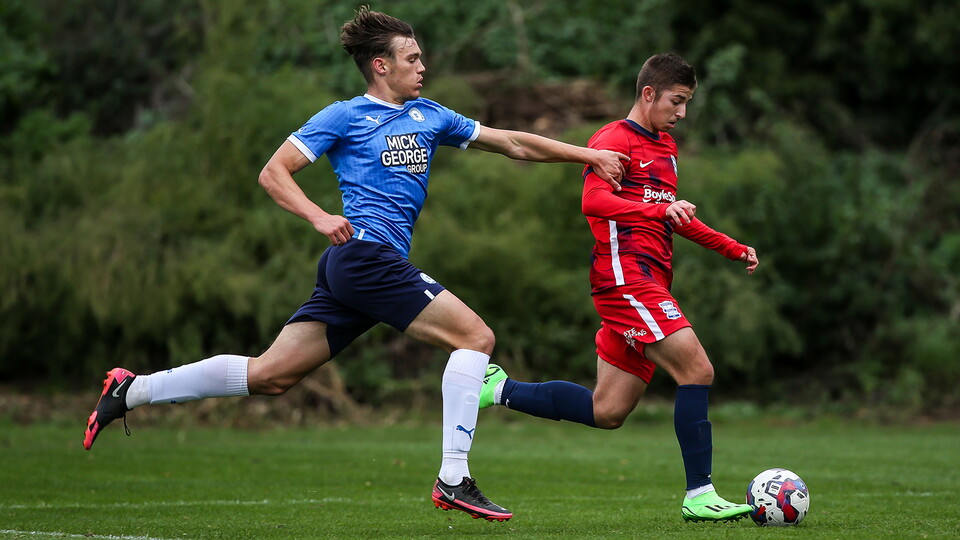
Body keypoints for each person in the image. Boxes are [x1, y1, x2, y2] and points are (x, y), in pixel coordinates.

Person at [81, 6, 628, 523]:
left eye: (421, 58)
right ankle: (453, 479)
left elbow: (511, 142)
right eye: (412, 59)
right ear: (380, 65)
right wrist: (320, 216)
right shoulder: (344, 115)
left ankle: (131, 390)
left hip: (362, 267)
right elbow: (274, 173)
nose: (423, 67)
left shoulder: (430, 115)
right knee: (475, 337)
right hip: (364, 257)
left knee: (271, 376)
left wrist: (588, 155)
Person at [479, 53, 759, 523]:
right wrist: (657, 213)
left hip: (647, 280)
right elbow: (595, 201)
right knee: (697, 369)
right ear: (648, 94)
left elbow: (674, 216)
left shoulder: (667, 148)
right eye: (677, 100)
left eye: (688, 102)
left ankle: (499, 388)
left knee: (607, 409)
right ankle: (700, 494)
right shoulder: (612, 139)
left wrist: (732, 247)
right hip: (625, 279)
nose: (682, 112)